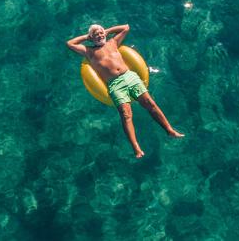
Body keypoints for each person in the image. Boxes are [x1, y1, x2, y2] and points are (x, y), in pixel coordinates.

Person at [66, 24, 184, 159]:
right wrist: (87, 37)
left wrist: (107, 31)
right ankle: (136, 147)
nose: (99, 35)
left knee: (150, 103)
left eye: (101, 33)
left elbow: (126, 28)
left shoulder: (113, 42)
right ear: (91, 38)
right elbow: (70, 43)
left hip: (130, 76)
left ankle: (169, 130)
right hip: (115, 84)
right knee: (126, 114)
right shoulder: (88, 51)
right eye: (96, 34)